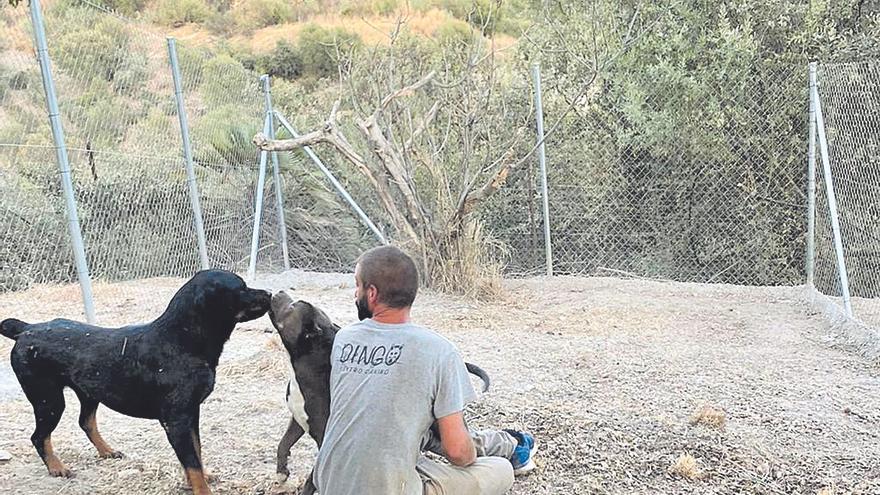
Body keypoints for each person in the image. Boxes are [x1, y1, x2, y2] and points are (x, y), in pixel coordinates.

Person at [312, 246, 537, 495]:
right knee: (499, 469)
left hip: (328, 482)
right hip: (391, 488)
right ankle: (510, 447)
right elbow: (459, 453)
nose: (356, 293)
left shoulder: (344, 339)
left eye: (358, 285)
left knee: (412, 435)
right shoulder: (438, 350)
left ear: (372, 293)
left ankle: (504, 443)